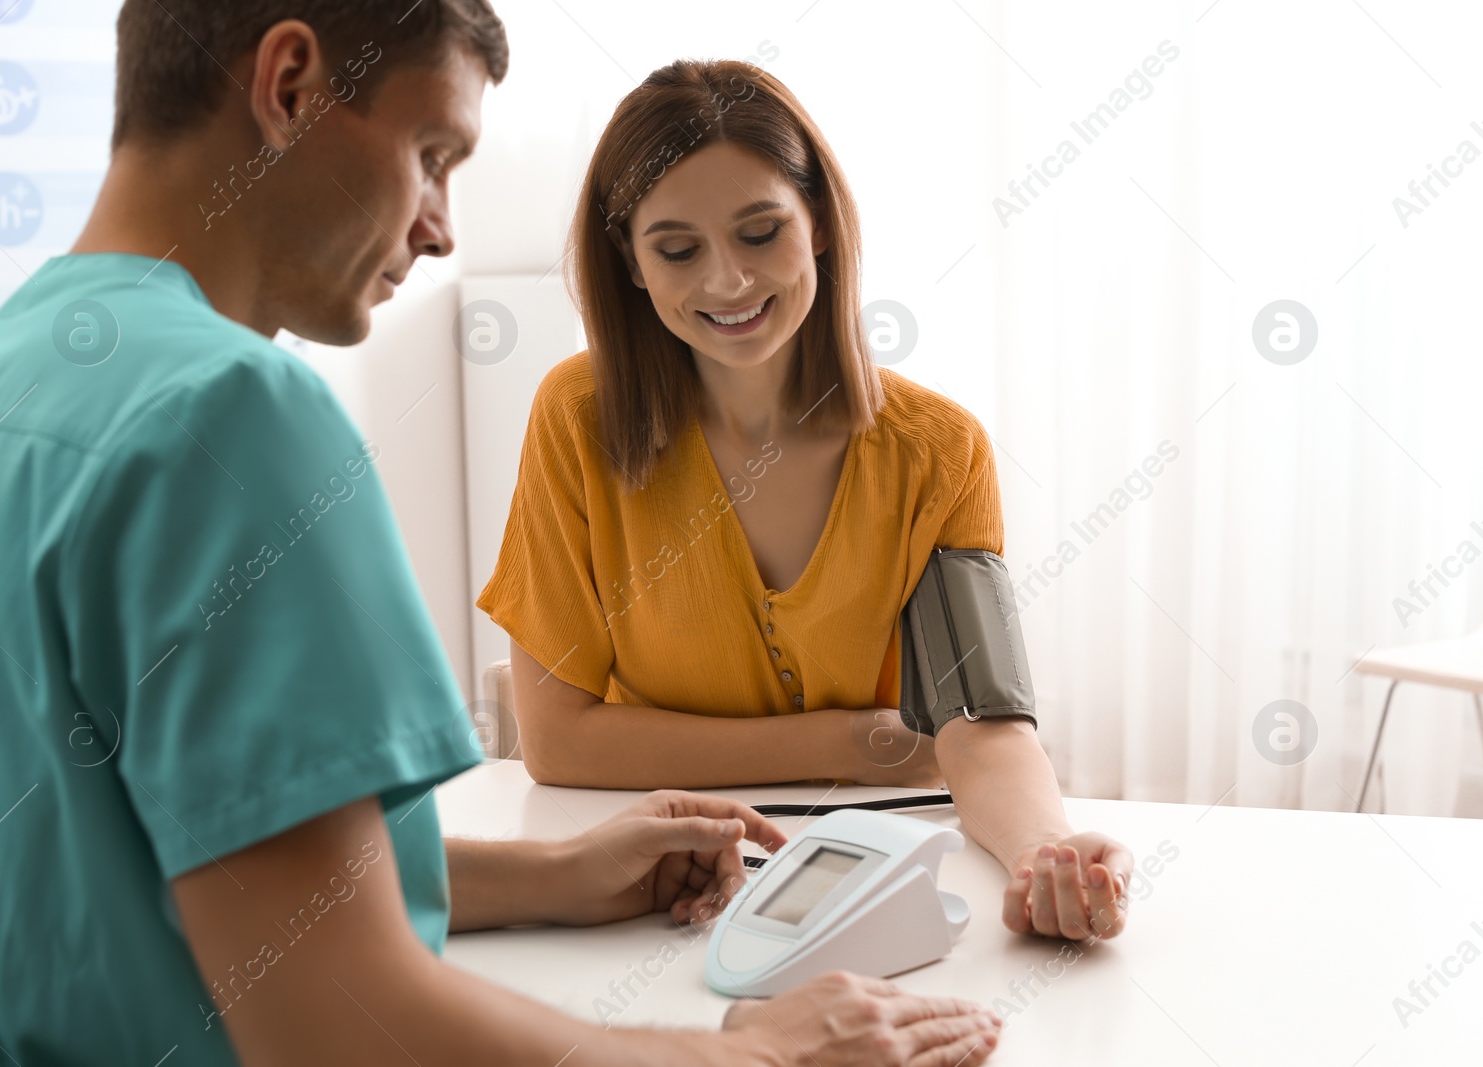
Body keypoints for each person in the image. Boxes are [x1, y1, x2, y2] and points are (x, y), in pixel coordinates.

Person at [0, 2, 1006, 1064]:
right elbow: (338, 1018)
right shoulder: (231, 415)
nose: (437, 229)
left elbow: (146, 863)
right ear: (288, 85)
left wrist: (553, 873)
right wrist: (749, 1050)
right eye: (432, 153)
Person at [476, 58, 1135, 945]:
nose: (728, 282)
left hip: (868, 876)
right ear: (629, 262)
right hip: (646, 877)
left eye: (760, 232)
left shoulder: (940, 451)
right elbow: (558, 742)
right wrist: (852, 741)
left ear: (818, 222)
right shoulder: (577, 418)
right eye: (677, 249)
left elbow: (977, 724)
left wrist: (1047, 852)